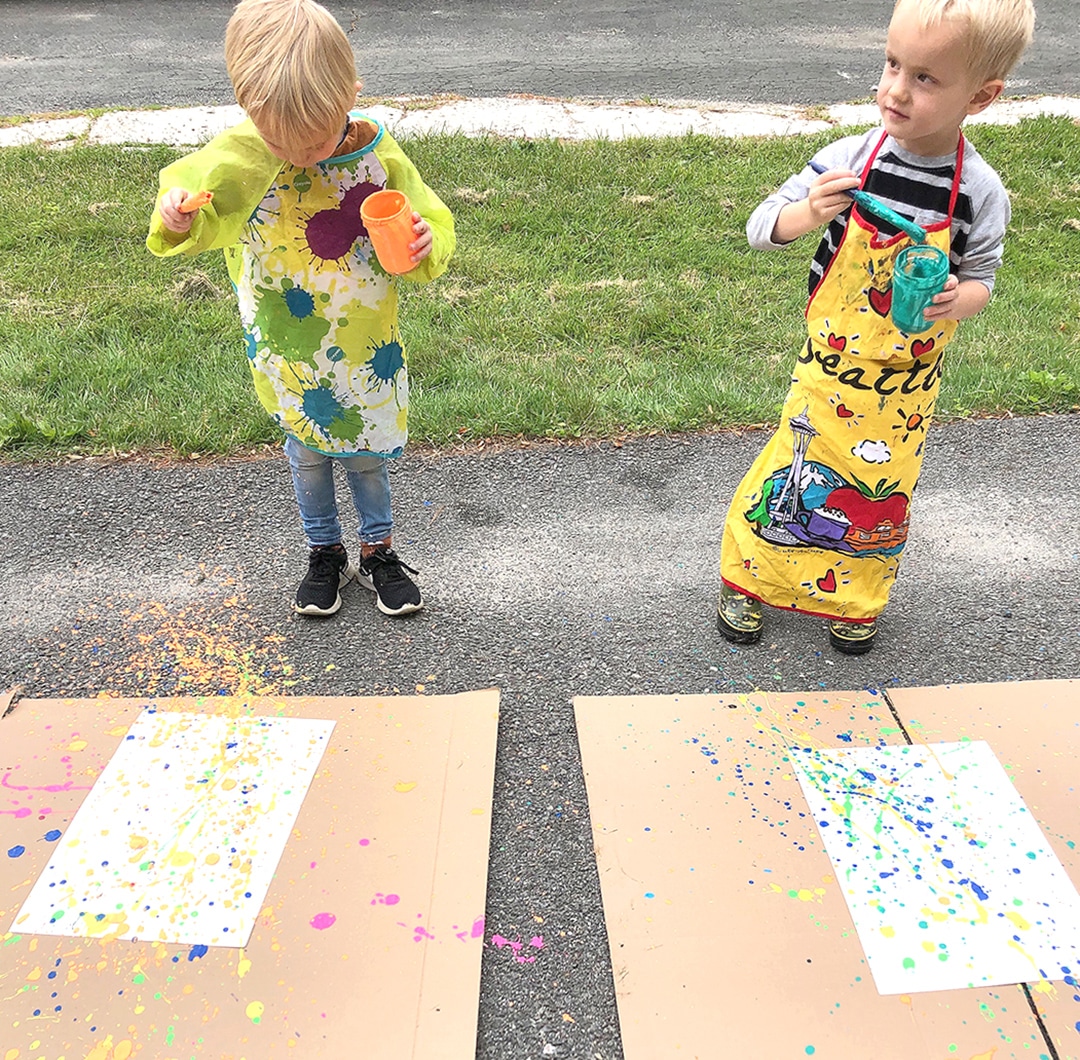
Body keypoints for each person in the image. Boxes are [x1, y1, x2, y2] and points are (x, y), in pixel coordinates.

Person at [718, 0, 1034, 654]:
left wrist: (959, 298)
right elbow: (759, 229)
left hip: (907, 390)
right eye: (893, 63)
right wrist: (806, 213)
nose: (894, 88)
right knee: (791, 472)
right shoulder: (849, 158)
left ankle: (854, 599)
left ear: (982, 96)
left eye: (925, 77)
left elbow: (984, 277)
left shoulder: (978, 192)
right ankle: (747, 582)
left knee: (877, 493)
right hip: (830, 367)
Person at [147, 0, 454, 618]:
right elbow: (196, 209)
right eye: (282, 140)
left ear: (352, 94)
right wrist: (175, 214)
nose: (303, 153)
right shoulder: (244, 151)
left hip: (364, 342)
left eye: (316, 138)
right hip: (289, 343)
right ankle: (324, 553)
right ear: (249, 110)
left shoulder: (377, 152)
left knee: (367, 455)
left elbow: (430, 220)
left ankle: (378, 552)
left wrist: (426, 242)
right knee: (307, 455)